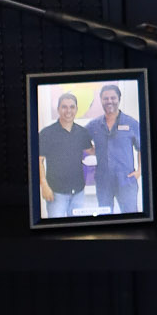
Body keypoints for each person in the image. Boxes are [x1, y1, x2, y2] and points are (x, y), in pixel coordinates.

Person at [85, 83, 141, 215]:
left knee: (130, 215)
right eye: (106, 98)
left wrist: (139, 171)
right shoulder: (94, 125)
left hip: (126, 180)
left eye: (113, 98)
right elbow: (80, 139)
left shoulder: (131, 123)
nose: (109, 101)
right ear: (101, 100)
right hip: (103, 180)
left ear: (119, 99)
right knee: (105, 216)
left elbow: (142, 148)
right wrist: (93, 150)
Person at [38, 90, 92, 219]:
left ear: (76, 109)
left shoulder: (82, 132)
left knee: (78, 227)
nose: (68, 111)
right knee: (56, 228)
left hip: (78, 191)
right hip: (56, 192)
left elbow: (91, 151)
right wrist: (44, 185)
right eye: (64, 107)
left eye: (72, 107)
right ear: (58, 109)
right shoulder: (46, 133)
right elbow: (39, 161)